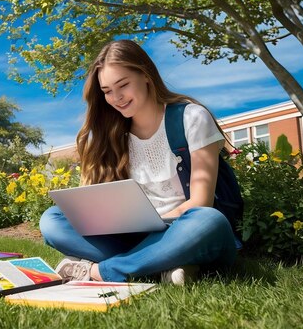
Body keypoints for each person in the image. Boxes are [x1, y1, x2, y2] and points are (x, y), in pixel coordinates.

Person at [39, 39, 238, 286]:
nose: (116, 97)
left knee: (208, 219)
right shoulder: (111, 135)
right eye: (107, 91)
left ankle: (101, 271)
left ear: (145, 75)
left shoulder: (191, 117)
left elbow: (201, 202)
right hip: (135, 238)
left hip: (187, 231)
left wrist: (156, 221)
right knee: (53, 219)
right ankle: (161, 266)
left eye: (123, 85)